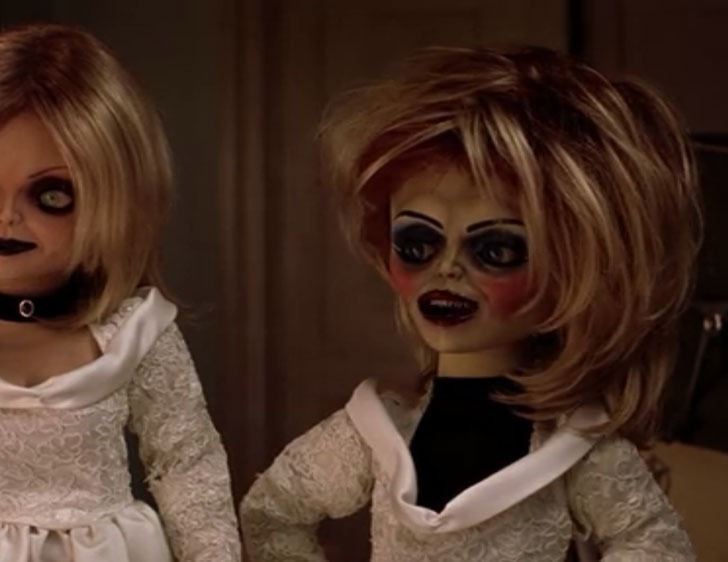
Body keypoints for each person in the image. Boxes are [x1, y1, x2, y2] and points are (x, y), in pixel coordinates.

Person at [240, 46, 700, 561]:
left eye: (495, 250)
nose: (447, 269)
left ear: (573, 272)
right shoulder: (374, 433)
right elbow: (271, 513)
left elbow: (655, 543)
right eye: (418, 244)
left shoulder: (573, 448)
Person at [0, 24, 241, 562]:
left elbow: (188, 465)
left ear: (112, 200)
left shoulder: (135, 337)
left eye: (52, 196)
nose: (6, 217)